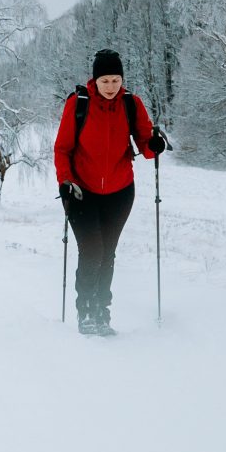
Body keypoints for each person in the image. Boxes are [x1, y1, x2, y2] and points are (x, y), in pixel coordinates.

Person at [52, 49, 162, 335]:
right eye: (105, 81)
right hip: (81, 191)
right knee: (92, 250)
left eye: (115, 80)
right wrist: (65, 181)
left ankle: (102, 310)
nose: (111, 86)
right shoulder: (79, 103)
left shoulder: (131, 104)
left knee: (107, 253)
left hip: (120, 192)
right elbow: (62, 149)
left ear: (121, 79)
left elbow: (145, 143)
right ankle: (86, 310)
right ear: (95, 80)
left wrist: (154, 145)